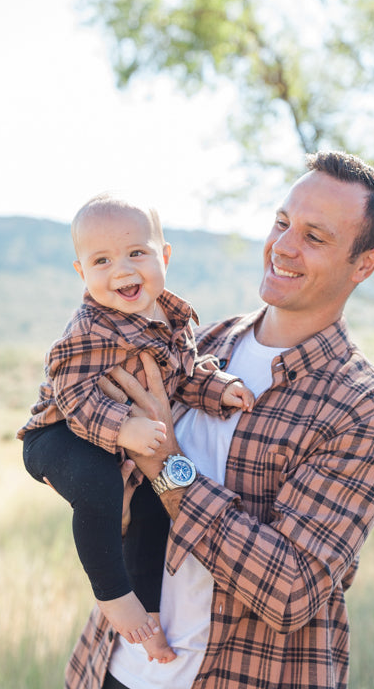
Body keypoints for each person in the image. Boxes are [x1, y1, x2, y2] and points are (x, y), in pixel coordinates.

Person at [63, 151, 374, 689]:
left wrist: (169, 467)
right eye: (283, 221)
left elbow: (290, 589)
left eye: (315, 236)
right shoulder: (195, 346)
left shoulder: (363, 411)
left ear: (364, 264)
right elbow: (101, 479)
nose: (283, 246)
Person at [18, 192, 254, 664]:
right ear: (82, 273)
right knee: (97, 481)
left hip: (118, 445)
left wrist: (217, 388)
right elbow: (71, 394)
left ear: (164, 256)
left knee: (152, 514)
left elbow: (184, 373)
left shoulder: (174, 319)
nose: (122, 270)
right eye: (102, 260)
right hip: (58, 435)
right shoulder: (88, 328)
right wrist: (124, 428)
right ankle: (113, 597)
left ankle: (150, 628)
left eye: (136, 253)